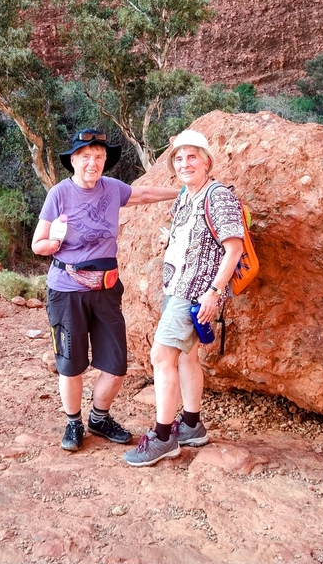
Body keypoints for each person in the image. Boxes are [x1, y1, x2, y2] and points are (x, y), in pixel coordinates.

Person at [33, 129, 179, 452]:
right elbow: (37, 244)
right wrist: (53, 243)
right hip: (66, 290)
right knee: (70, 364)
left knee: (115, 365)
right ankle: (73, 422)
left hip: (106, 289)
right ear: (73, 160)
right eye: (86, 157)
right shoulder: (58, 194)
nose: (93, 163)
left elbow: (142, 195)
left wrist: (182, 191)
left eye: (98, 157)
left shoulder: (112, 189)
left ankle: (99, 418)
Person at [124, 129, 244, 466]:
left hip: (193, 292)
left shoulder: (217, 195)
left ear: (206, 161)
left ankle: (164, 438)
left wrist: (214, 293)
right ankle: (191, 425)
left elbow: (233, 249)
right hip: (175, 288)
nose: (184, 163)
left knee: (162, 356)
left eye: (192, 156)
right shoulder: (186, 196)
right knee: (186, 358)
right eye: (178, 158)